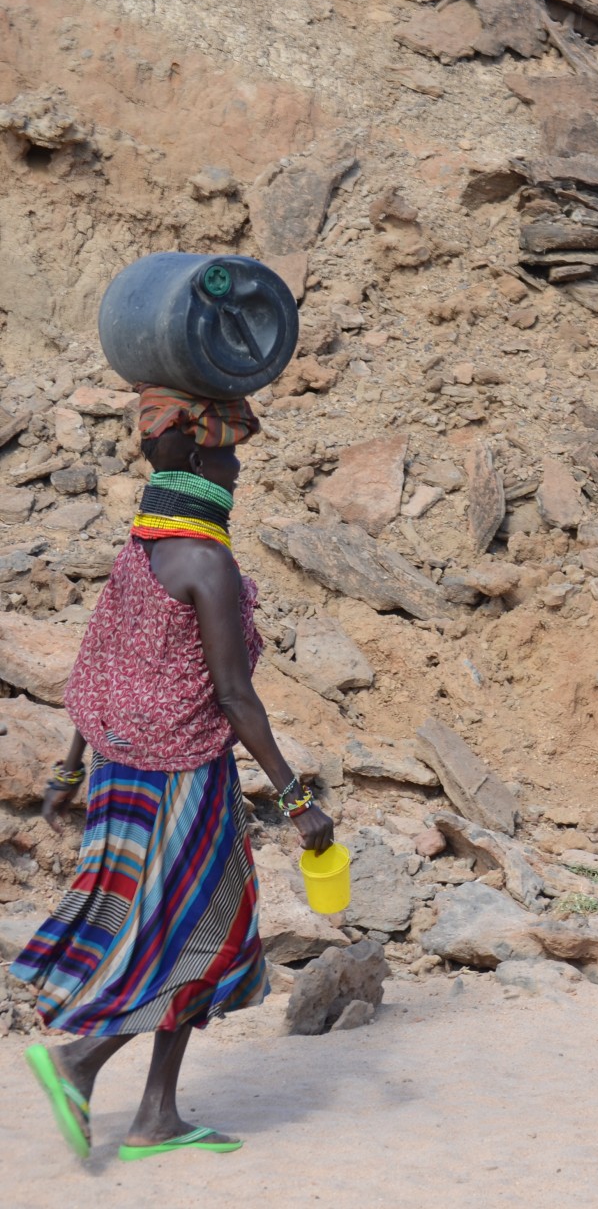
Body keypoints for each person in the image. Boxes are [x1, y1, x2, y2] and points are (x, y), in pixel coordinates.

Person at [10, 385, 334, 1163]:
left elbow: (98, 669)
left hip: (123, 770)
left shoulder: (139, 556)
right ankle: (77, 1062)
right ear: (196, 459)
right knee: (188, 938)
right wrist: (297, 801)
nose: (236, 469)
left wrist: (68, 768)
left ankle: (158, 1115)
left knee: (201, 935)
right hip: (180, 782)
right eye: (227, 454)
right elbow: (233, 695)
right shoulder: (206, 563)